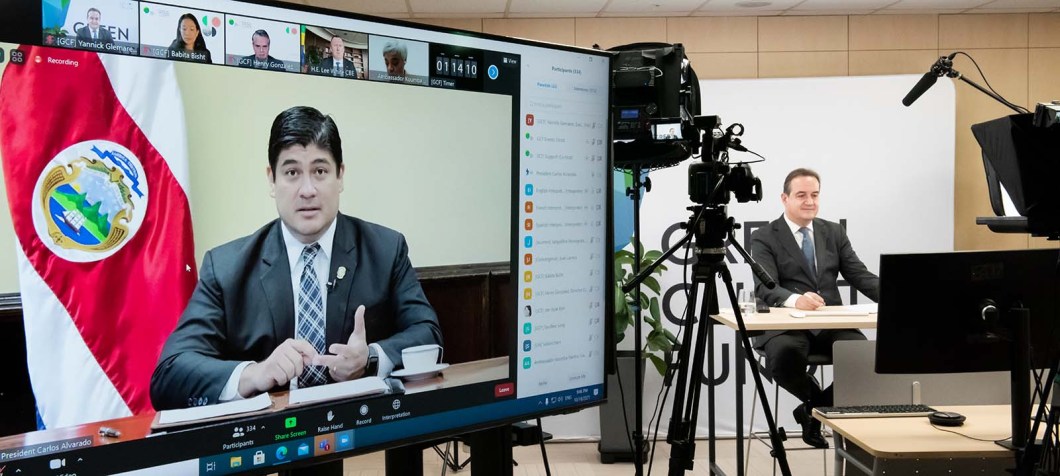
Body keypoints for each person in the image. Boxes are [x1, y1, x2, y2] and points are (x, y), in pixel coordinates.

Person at [151, 106, 442, 411]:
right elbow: (170, 373)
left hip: (363, 436)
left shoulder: (385, 249)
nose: (307, 190)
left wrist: (369, 358)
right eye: (291, 173)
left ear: (340, 176)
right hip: (267, 443)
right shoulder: (226, 268)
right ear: (271, 180)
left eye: (320, 171)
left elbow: (427, 333)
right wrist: (255, 373)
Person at [748, 167, 879, 449]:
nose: (810, 201)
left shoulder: (833, 231)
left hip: (831, 323)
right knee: (784, 356)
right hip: (785, 325)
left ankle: (812, 409)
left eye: (815, 195)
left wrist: (897, 297)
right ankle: (818, 407)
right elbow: (765, 286)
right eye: (801, 195)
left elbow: (860, 275)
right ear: (784, 198)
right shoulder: (764, 236)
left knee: (864, 358)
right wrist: (797, 300)